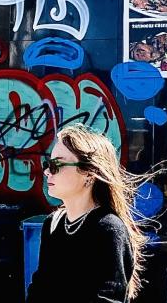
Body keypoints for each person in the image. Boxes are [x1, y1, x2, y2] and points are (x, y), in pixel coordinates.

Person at [26, 124, 152, 303]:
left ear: (89, 174)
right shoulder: (52, 224)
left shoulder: (108, 228)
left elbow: (109, 298)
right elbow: (39, 289)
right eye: (48, 164)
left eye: (57, 164)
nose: (47, 171)